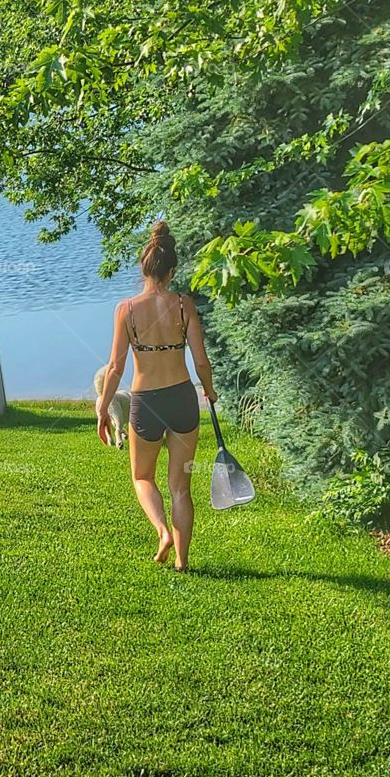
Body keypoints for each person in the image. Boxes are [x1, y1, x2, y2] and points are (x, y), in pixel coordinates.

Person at [96, 221, 217, 572]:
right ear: (172, 270)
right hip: (181, 398)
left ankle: (162, 530)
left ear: (143, 267)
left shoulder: (126, 310)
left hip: (146, 401)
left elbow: (115, 366)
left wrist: (103, 409)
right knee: (181, 486)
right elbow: (201, 361)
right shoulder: (184, 305)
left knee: (142, 477)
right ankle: (182, 561)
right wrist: (209, 392)